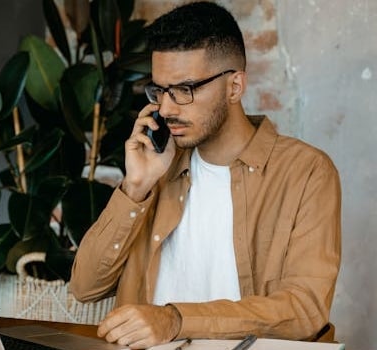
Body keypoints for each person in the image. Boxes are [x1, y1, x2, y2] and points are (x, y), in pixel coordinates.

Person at [69, 2, 341, 348]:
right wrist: (135, 187)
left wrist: (176, 319)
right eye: (160, 91)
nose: (166, 109)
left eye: (185, 90)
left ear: (234, 86)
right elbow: (84, 287)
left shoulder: (306, 172)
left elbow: (305, 308)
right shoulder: (157, 167)